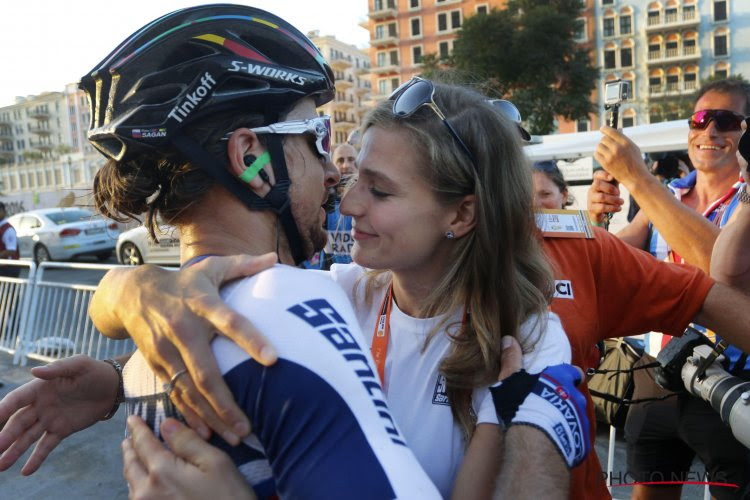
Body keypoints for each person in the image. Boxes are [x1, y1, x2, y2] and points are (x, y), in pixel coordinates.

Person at [0, 7, 584, 498]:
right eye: (319, 140)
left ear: (461, 214)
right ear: (251, 159)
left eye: (378, 190)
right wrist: (131, 296)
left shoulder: (529, 337)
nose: (339, 184)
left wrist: (132, 312)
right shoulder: (312, 300)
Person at [588, 78, 750, 500]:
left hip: (727, 382)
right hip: (656, 377)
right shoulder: (672, 193)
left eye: (725, 120)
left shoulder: (743, 199)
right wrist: (594, 221)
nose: (709, 132)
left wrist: (639, 179)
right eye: (699, 120)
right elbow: (608, 260)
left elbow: (720, 265)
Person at [0, 202, 20, 278]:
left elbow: (11, 250)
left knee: (9, 290)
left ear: (4, 212)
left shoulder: (8, 229)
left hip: (8, 268)